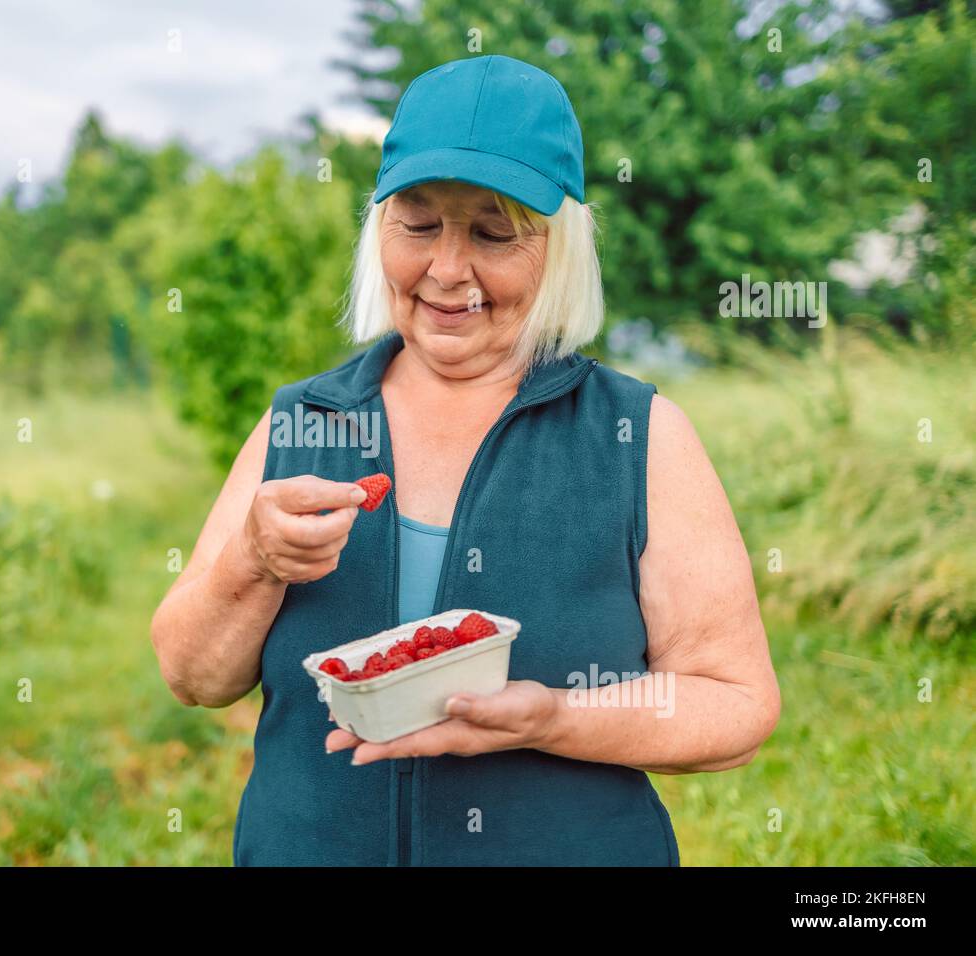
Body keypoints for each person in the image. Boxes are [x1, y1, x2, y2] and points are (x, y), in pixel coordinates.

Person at [150, 54, 780, 866]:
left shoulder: (637, 434)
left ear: (559, 246)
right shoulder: (305, 422)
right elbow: (193, 678)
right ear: (378, 229)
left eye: (492, 232)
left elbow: (734, 706)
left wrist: (554, 717)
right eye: (418, 225)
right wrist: (255, 559)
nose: (448, 271)